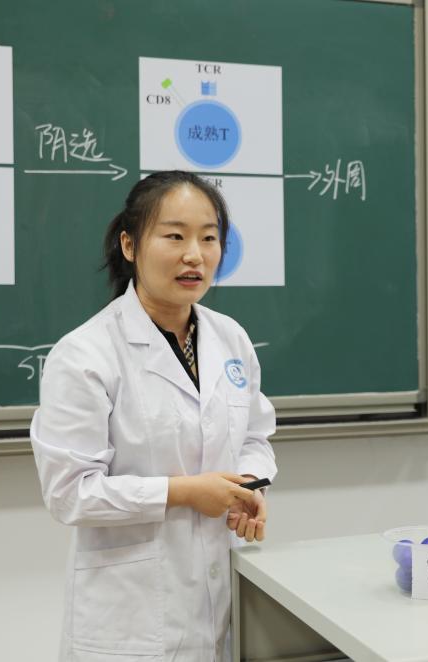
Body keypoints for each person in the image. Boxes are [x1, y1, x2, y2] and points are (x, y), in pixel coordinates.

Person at [30, 170, 278, 661]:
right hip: (129, 620)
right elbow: (69, 493)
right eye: (174, 236)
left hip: (219, 602)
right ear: (129, 245)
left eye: (209, 238)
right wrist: (182, 492)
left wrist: (249, 485)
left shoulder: (231, 339)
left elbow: (254, 437)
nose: (195, 255)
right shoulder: (85, 354)